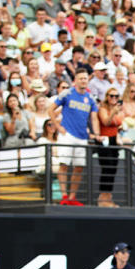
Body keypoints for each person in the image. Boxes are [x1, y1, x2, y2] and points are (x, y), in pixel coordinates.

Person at [53, 69, 101, 205]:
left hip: (82, 136)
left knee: (79, 167)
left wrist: (96, 134)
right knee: (64, 165)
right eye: (81, 78)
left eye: (86, 78)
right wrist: (58, 126)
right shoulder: (67, 93)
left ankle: (72, 197)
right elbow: (51, 110)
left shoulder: (90, 98)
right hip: (67, 134)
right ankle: (64, 195)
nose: (84, 81)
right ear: (75, 80)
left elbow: (94, 118)